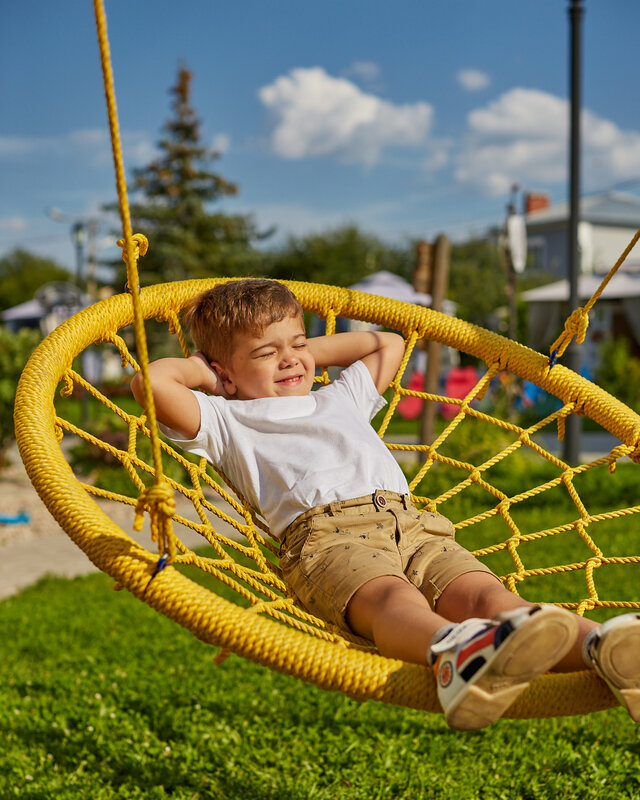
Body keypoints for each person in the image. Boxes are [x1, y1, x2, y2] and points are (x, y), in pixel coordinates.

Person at [131, 278, 640, 730]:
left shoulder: (339, 396)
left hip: (413, 522)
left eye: (299, 344)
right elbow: (150, 384)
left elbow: (387, 344)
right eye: (265, 354)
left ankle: (605, 647)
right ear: (224, 372)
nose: (290, 360)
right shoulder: (226, 419)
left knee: (489, 596)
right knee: (394, 602)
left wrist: (297, 349)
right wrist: (205, 372)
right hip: (327, 539)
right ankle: (454, 655)